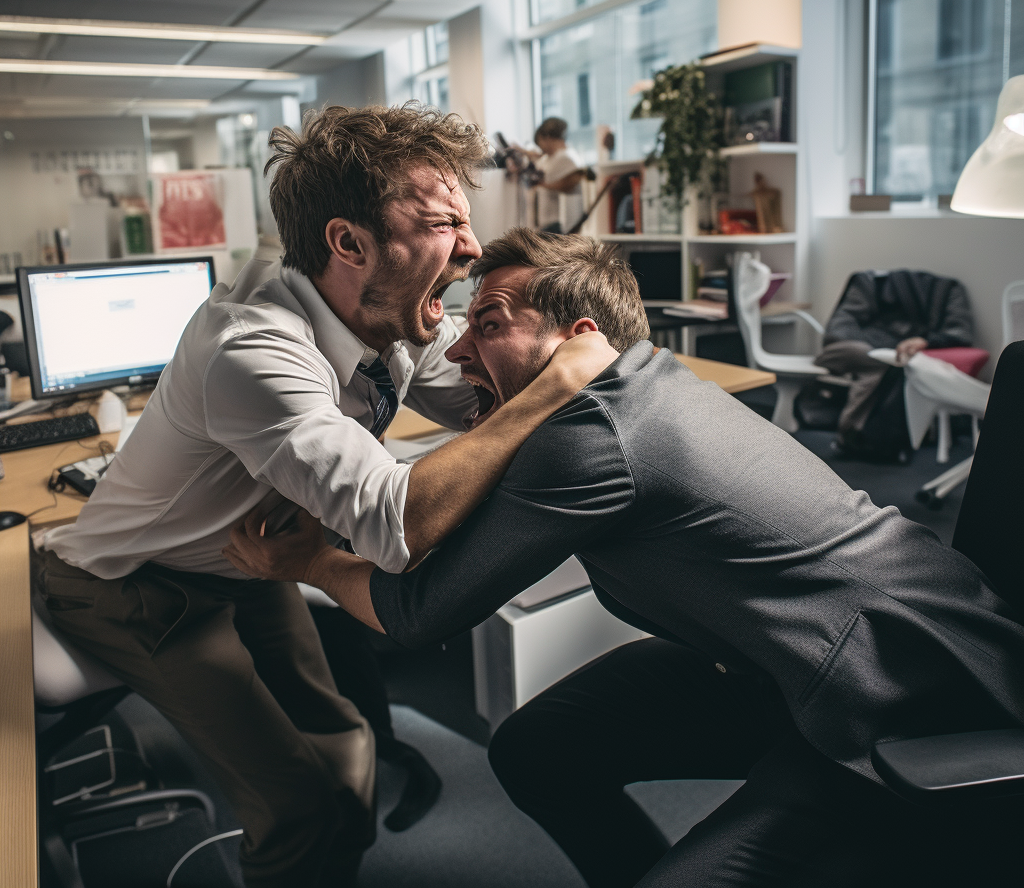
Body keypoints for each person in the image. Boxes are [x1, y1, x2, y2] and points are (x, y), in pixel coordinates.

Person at [226, 228, 1024, 888]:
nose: (459, 347)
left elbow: (416, 612)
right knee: (538, 747)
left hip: (896, 693)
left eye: (490, 322)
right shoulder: (639, 380)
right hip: (788, 660)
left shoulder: (592, 441)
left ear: (577, 340)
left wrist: (304, 560)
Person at [35, 109, 616, 888]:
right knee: (298, 805)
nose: (473, 249)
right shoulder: (251, 350)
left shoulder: (398, 313)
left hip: (250, 559)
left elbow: (489, 411)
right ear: (348, 244)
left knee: (346, 745)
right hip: (133, 584)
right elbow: (397, 526)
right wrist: (561, 382)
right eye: (446, 223)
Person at [814, 269, 976, 454]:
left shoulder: (948, 291)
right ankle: (854, 431)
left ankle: (857, 433)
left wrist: (926, 341)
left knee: (887, 365)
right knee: (878, 359)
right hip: (852, 348)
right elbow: (839, 330)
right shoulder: (870, 286)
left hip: (890, 357)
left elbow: (959, 333)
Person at [518, 116, 585, 232]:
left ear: (547, 138)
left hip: (558, 224)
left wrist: (539, 183)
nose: (540, 148)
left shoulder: (567, 157)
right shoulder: (550, 158)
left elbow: (565, 182)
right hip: (545, 223)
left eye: (540, 142)